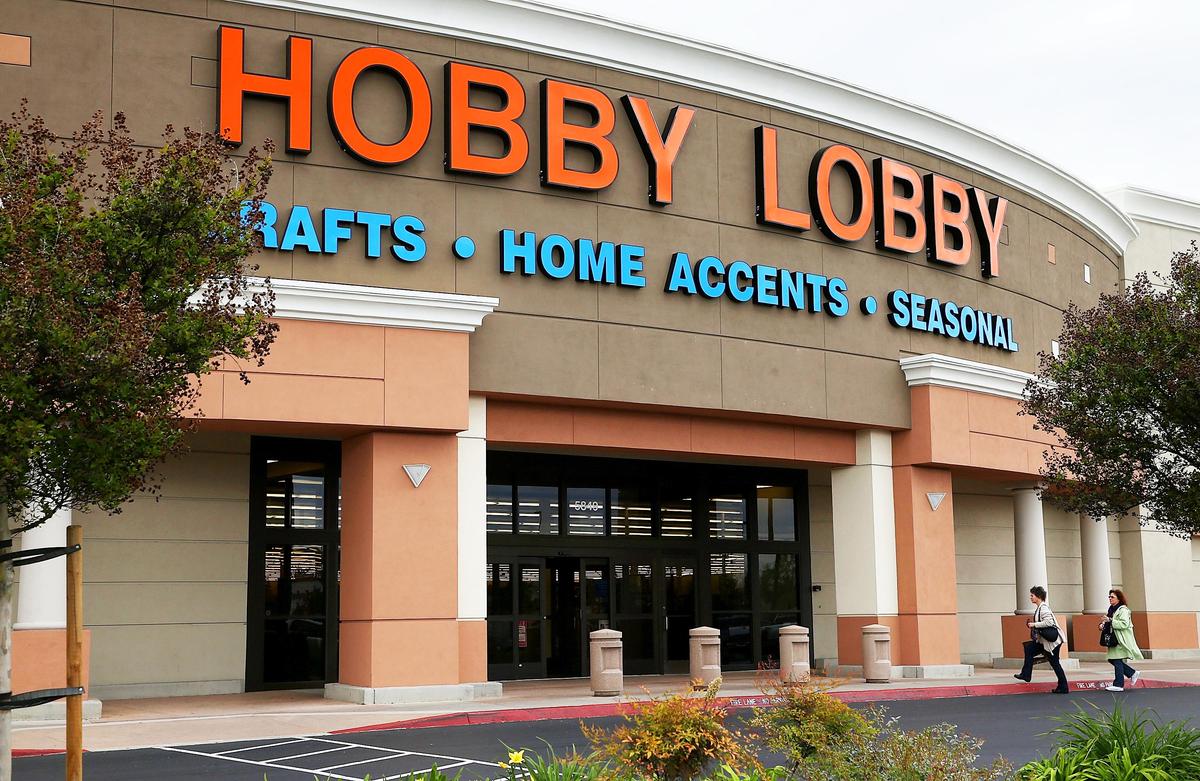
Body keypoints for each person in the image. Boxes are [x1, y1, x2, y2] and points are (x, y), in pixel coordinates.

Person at [1013, 585, 1069, 693]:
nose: (1030, 597)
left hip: (1052, 642)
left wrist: (1034, 624)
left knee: (1055, 663)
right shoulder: (1040, 608)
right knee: (1029, 649)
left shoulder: (1043, 608)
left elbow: (1049, 622)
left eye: (1032, 595)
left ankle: (1063, 687)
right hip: (1045, 641)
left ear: (1038, 596)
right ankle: (1026, 674)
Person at [1100, 588, 1143, 691]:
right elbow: (1110, 622)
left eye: (1112, 597)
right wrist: (1102, 625)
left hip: (1120, 638)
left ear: (1119, 599)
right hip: (1114, 638)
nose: (1110, 598)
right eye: (1109, 597)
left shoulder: (1123, 610)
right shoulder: (1112, 609)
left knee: (1116, 659)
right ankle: (1132, 673)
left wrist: (1109, 620)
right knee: (1113, 658)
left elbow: (1124, 624)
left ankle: (1118, 684)